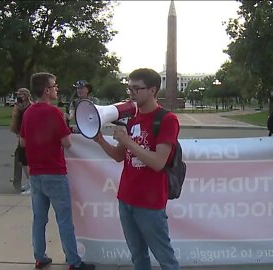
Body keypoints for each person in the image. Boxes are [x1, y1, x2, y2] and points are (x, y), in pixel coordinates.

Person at [93, 68, 180, 270]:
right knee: (138, 257)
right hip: (126, 198)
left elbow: (159, 162)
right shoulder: (132, 119)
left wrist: (127, 140)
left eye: (136, 88)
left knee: (165, 258)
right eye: (129, 87)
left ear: (152, 90)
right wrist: (99, 140)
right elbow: (118, 156)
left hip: (150, 204)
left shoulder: (167, 119)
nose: (131, 92)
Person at [20, 72, 95, 270]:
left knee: (39, 219)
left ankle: (39, 256)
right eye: (54, 86)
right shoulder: (53, 113)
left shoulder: (28, 112)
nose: (57, 89)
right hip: (55, 172)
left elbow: (23, 141)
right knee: (64, 219)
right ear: (46, 90)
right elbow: (67, 143)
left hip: (36, 173)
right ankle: (73, 261)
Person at [10, 88, 33, 194]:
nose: (19, 97)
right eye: (18, 95)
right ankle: (29, 181)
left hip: (29, 137)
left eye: (21, 95)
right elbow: (15, 121)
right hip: (21, 136)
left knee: (26, 161)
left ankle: (32, 183)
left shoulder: (31, 107)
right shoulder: (18, 107)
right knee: (23, 160)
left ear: (27, 96)